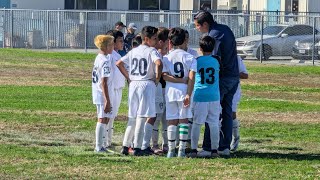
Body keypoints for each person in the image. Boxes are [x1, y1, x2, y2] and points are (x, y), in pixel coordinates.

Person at [194, 11, 239, 157]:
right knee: (226, 112)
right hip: (233, 76)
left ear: (205, 24)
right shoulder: (224, 29)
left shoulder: (213, 35)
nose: (197, 29)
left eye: (197, 26)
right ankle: (224, 146)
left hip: (223, 78)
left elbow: (215, 59)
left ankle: (208, 147)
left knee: (211, 113)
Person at [117, 26, 162, 156]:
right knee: (142, 117)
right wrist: (157, 78)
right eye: (154, 38)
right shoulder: (151, 51)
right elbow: (158, 63)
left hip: (134, 84)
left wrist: (129, 77)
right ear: (147, 39)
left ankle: (125, 146)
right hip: (146, 83)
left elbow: (119, 63)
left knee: (132, 116)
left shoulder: (133, 51)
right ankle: (137, 147)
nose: (156, 41)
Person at [162, 27, 196, 158]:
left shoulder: (167, 57)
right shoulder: (190, 57)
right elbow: (191, 78)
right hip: (184, 92)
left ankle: (171, 150)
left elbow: (164, 76)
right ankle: (181, 150)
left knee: (171, 120)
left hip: (170, 91)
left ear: (170, 41)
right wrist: (188, 92)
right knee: (184, 120)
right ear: (185, 41)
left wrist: (178, 80)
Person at [189, 36, 221, 158]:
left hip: (200, 95)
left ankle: (193, 149)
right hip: (214, 96)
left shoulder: (197, 61)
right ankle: (214, 150)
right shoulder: (216, 61)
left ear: (200, 48)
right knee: (213, 123)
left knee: (197, 123)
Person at [91, 35, 115, 153]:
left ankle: (102, 145)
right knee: (102, 118)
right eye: (111, 45)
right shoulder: (105, 61)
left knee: (106, 118)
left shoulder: (99, 57)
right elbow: (104, 82)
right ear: (105, 47)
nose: (113, 47)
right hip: (102, 94)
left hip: (100, 93)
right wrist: (107, 100)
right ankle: (98, 146)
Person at [149, 27, 170, 154]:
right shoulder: (154, 55)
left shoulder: (168, 56)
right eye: (168, 40)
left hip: (167, 90)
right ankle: (154, 144)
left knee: (167, 119)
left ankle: (166, 143)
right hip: (157, 90)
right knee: (156, 117)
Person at [104, 30, 126, 148]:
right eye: (120, 41)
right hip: (111, 89)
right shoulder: (109, 56)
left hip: (118, 88)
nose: (122, 43)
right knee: (108, 116)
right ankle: (105, 141)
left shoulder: (117, 55)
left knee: (112, 116)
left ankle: (108, 140)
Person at [230, 56, 248, 151]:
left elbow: (245, 75)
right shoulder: (216, 56)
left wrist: (232, 72)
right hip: (218, 89)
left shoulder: (236, 58)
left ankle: (235, 137)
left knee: (231, 113)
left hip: (234, 89)